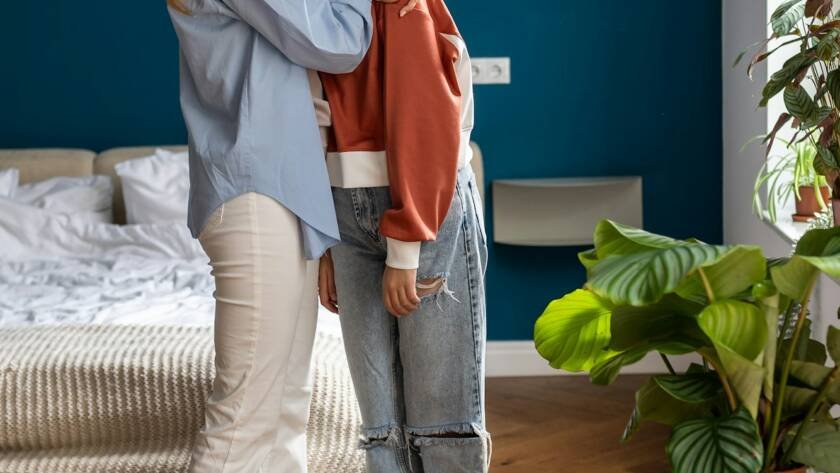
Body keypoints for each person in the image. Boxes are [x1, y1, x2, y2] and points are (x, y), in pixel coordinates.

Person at [166, 1, 413, 472]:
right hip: (257, 192)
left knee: (283, 411)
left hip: (281, 190)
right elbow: (340, 42)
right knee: (244, 417)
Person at [316, 0, 491, 471]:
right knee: (381, 427)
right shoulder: (314, 10)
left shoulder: (404, 7)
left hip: (423, 206)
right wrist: (322, 241)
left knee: (440, 420)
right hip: (347, 214)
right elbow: (311, 120)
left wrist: (406, 243)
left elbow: (427, 119)